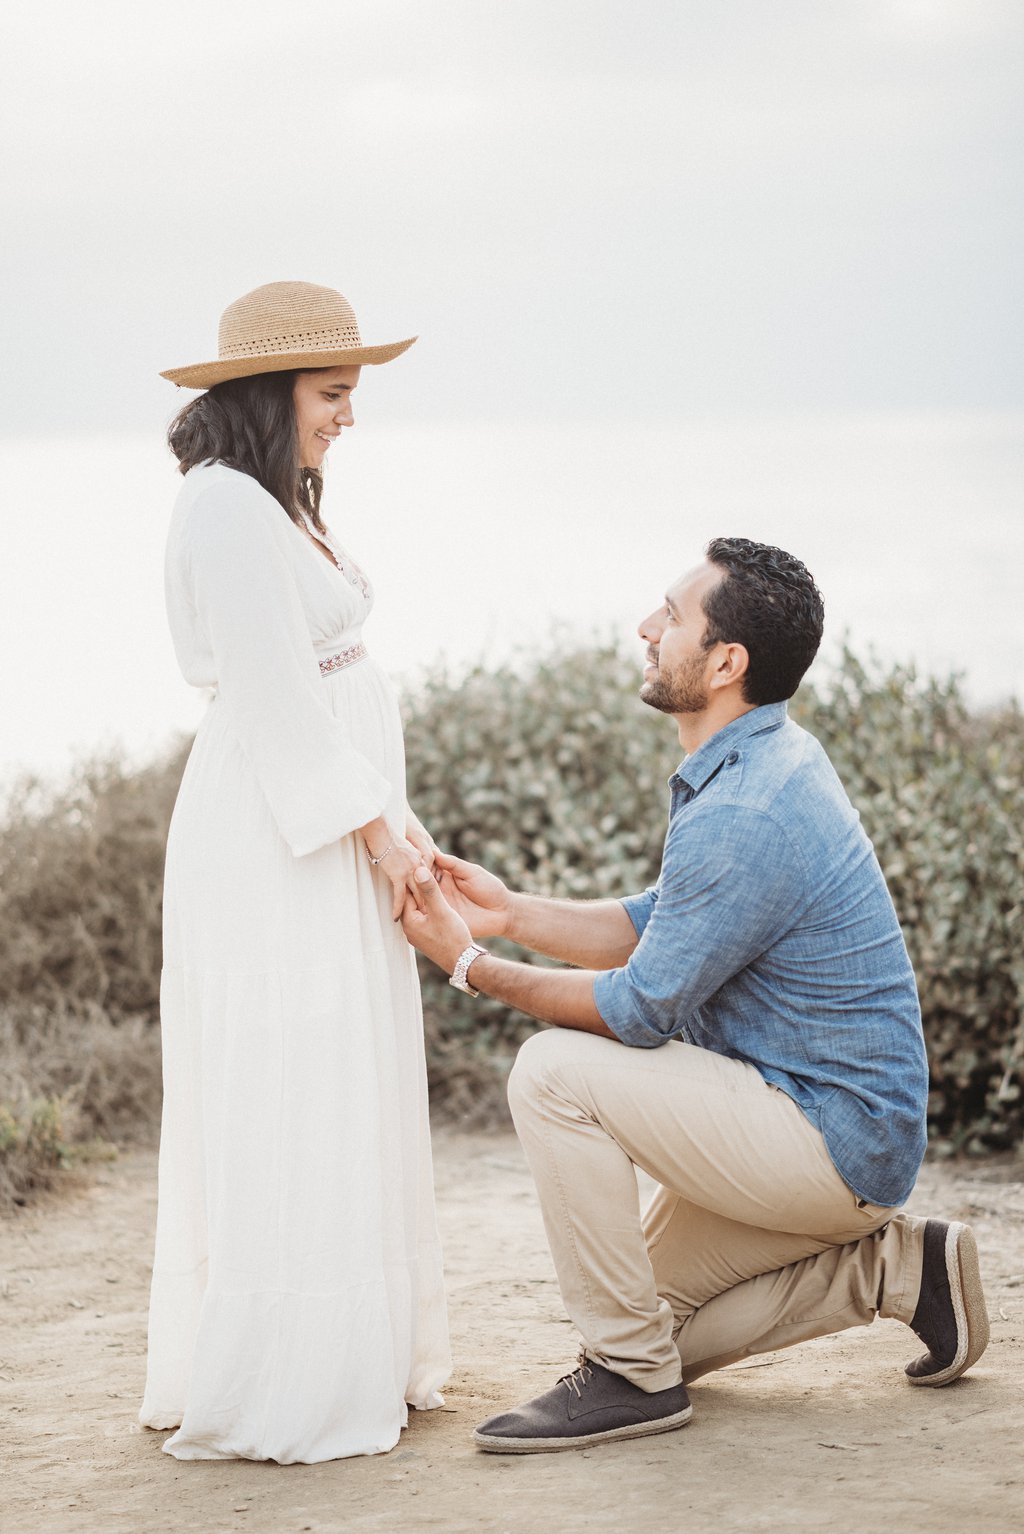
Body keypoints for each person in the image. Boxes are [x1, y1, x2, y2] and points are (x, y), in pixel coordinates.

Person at [400, 536, 989, 1454]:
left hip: (826, 1137)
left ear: (725, 662)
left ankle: (628, 1381)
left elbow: (639, 1008)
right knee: (655, 1323)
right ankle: (900, 1274)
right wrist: (510, 909)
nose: (645, 627)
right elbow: (661, 920)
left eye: (669, 616)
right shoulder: (762, 759)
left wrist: (468, 962)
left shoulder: (748, 805)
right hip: (826, 1130)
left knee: (554, 1070)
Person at [139, 281, 450, 1463]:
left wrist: (401, 826)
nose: (348, 417)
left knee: (340, 1067)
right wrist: (380, 838)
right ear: (273, 394)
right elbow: (275, 703)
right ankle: (288, 1374)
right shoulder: (222, 508)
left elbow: (330, 690)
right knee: (292, 1070)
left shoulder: (271, 499)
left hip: (320, 816)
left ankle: (362, 1348)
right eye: (333, 394)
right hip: (276, 836)